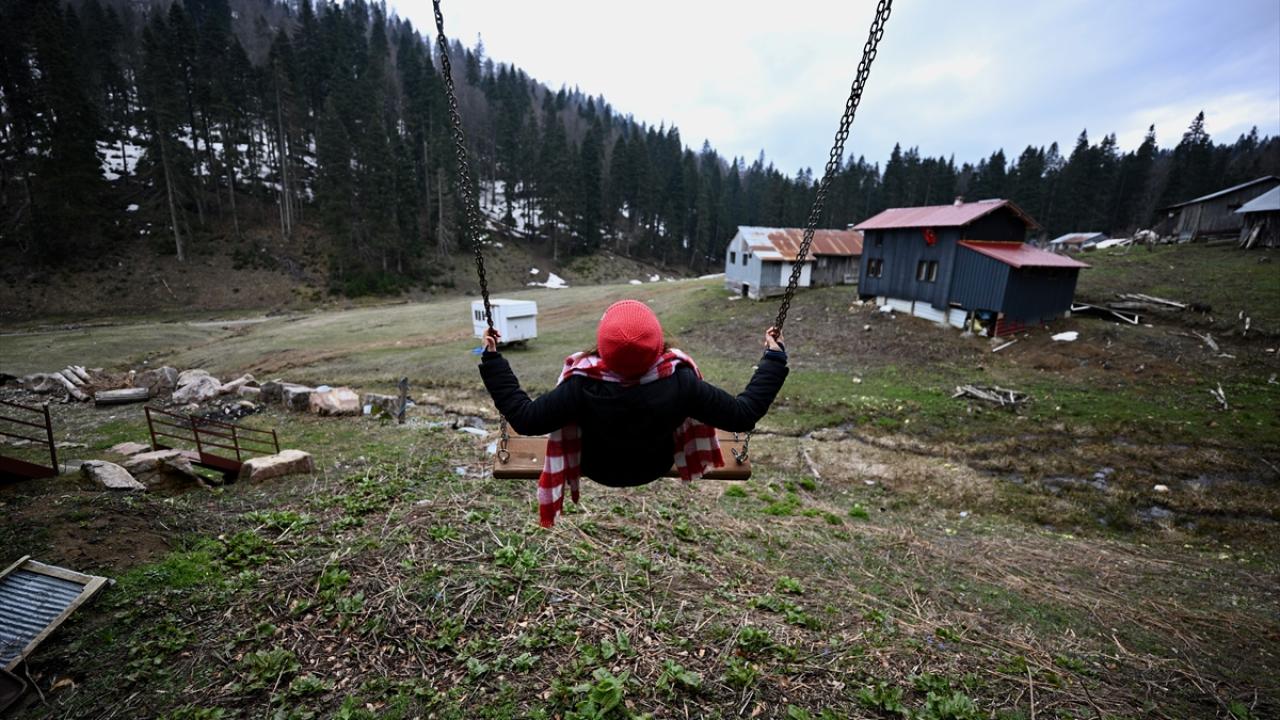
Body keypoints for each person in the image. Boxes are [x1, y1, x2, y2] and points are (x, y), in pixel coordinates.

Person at [479, 299, 789, 526]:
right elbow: (742, 414)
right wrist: (774, 358)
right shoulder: (681, 380)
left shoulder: (580, 384)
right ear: (657, 345)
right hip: (652, 465)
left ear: (602, 346)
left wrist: (493, 361)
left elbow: (525, 418)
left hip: (598, 467)